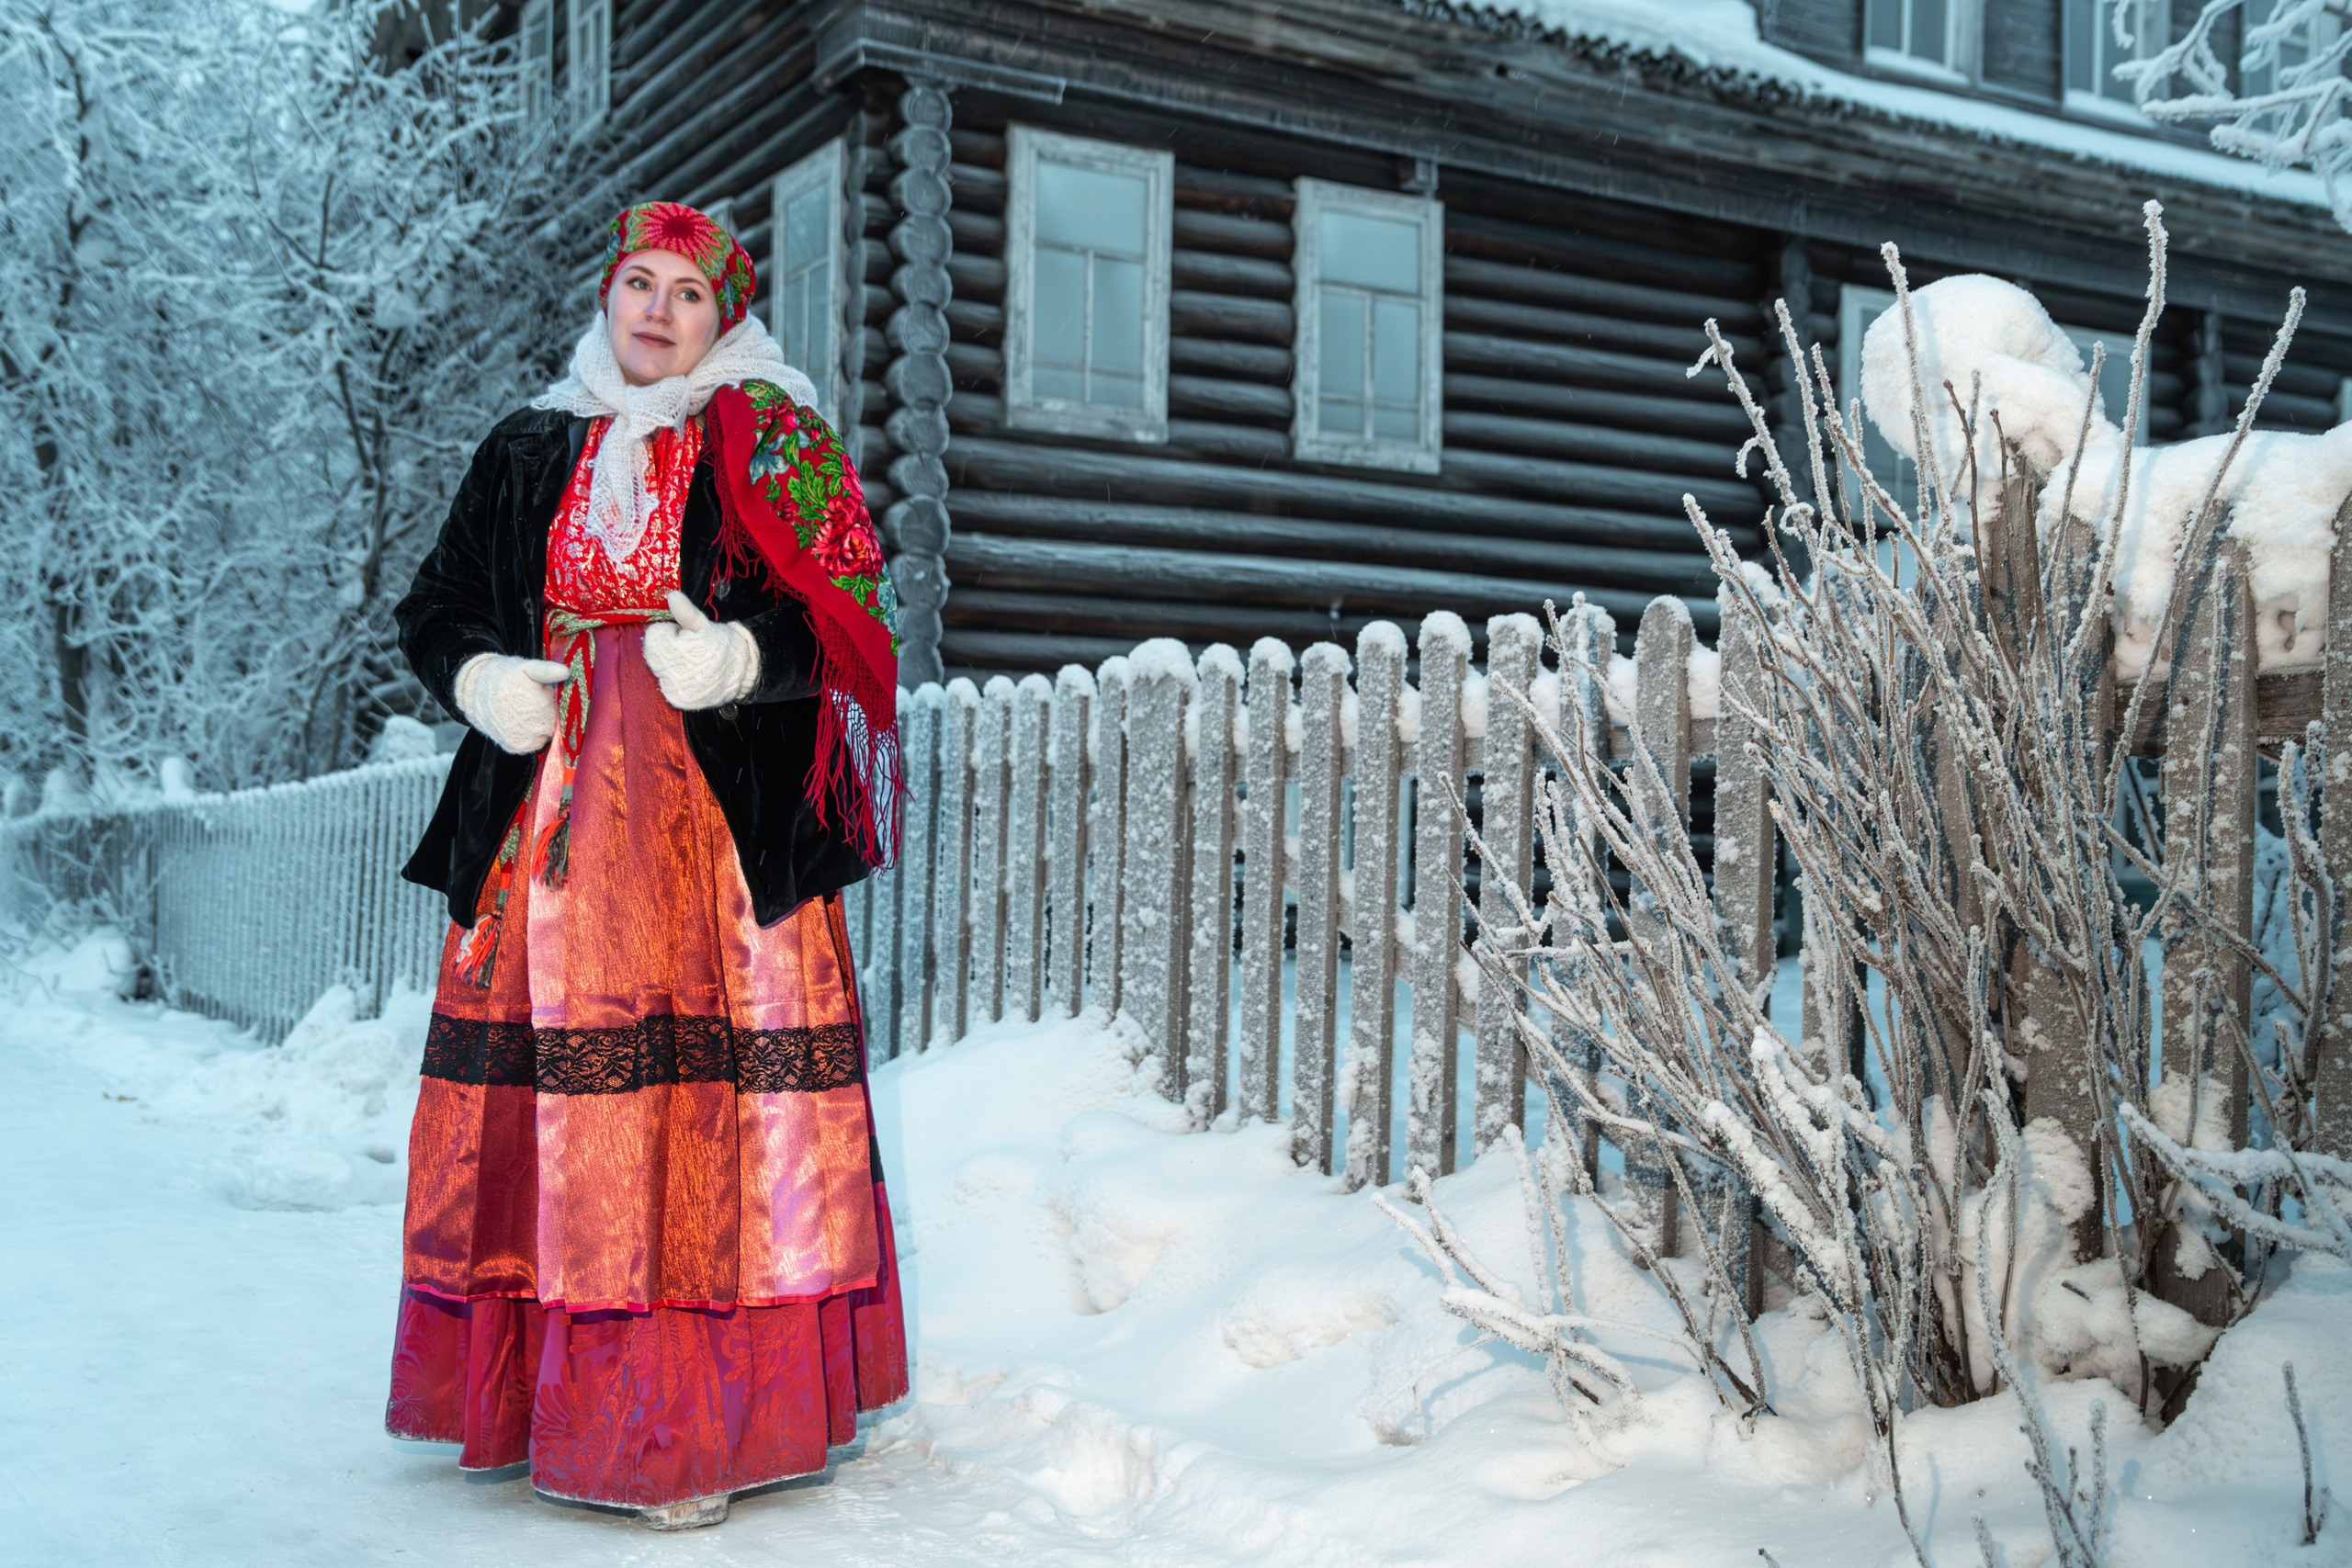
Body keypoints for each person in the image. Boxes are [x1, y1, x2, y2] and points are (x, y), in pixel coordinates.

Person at [383, 200, 906, 1531]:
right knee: (562, 1107)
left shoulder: (768, 437)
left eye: (687, 289)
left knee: (709, 1116)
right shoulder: (528, 445)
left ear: (724, 314)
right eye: (637, 282)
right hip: (552, 814)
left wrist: (744, 660)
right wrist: (481, 675)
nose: (658, 309)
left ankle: (696, 1431)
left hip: (715, 831)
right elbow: (435, 602)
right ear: (606, 298)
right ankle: (542, 1404)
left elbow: (843, 615)